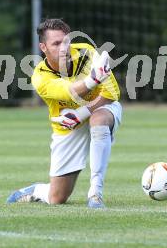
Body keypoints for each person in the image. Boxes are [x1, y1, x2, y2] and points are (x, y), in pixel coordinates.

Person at [7, 18, 122, 208]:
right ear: (43, 47)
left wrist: (82, 113)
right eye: (56, 43)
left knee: (99, 119)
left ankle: (95, 192)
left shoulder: (86, 52)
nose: (63, 48)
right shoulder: (40, 76)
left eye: (66, 41)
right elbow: (69, 91)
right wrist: (93, 79)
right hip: (67, 127)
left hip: (100, 108)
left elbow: (113, 93)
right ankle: (36, 190)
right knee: (57, 198)